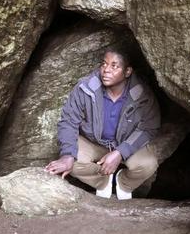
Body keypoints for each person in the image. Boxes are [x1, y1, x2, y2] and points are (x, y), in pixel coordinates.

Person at [45, 46, 161, 200]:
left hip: (125, 143)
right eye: (104, 64)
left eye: (114, 66)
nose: (106, 70)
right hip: (94, 143)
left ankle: (123, 182)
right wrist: (67, 155)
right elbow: (68, 122)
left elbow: (149, 128)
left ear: (127, 72)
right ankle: (103, 181)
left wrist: (120, 152)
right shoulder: (86, 89)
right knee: (71, 160)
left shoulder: (141, 95)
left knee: (148, 164)